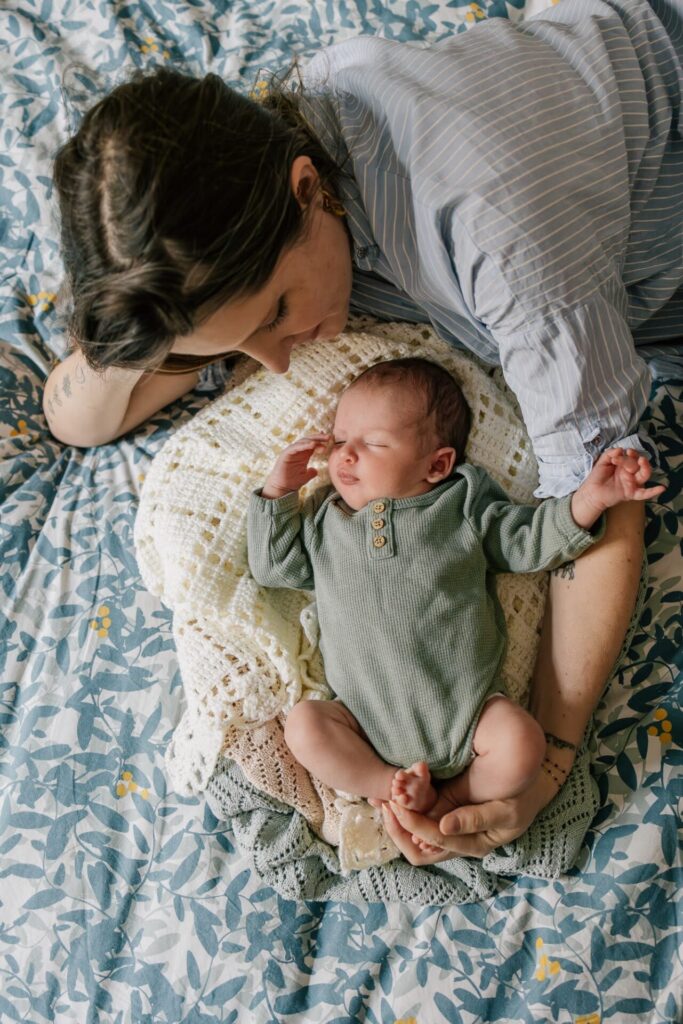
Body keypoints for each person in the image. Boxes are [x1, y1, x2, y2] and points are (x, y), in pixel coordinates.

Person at [44, 0, 681, 862]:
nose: (275, 363)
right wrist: (146, 300)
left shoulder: (499, 240)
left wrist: (549, 765)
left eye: (275, 313)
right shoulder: (266, 159)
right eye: (232, 347)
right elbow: (75, 416)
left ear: (308, 189)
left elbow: (600, 490)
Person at [247, 358, 664, 855]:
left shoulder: (461, 506)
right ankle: (389, 787)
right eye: (339, 441)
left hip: (469, 715)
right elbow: (274, 568)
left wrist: (589, 501)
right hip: (361, 719)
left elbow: (529, 541)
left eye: (373, 443)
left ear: (437, 465)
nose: (346, 455)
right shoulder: (324, 521)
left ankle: (451, 799)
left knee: (523, 744)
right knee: (304, 726)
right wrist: (278, 493)